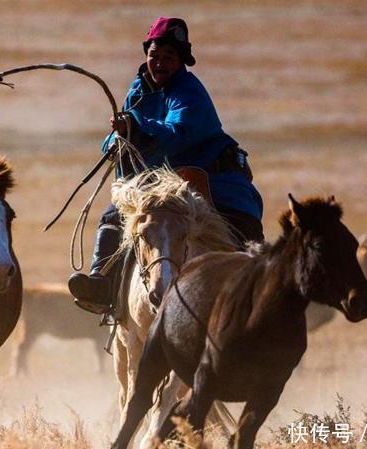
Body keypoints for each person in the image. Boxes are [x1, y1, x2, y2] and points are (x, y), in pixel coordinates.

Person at [68, 17, 264, 314]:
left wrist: (136, 125)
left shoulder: (189, 92)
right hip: (167, 180)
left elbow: (177, 135)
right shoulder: (139, 89)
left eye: (168, 58)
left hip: (213, 178)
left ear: (181, 61)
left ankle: (257, 297)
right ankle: (101, 284)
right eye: (154, 56)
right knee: (113, 216)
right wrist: (114, 143)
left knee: (243, 236)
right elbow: (121, 133)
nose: (159, 63)